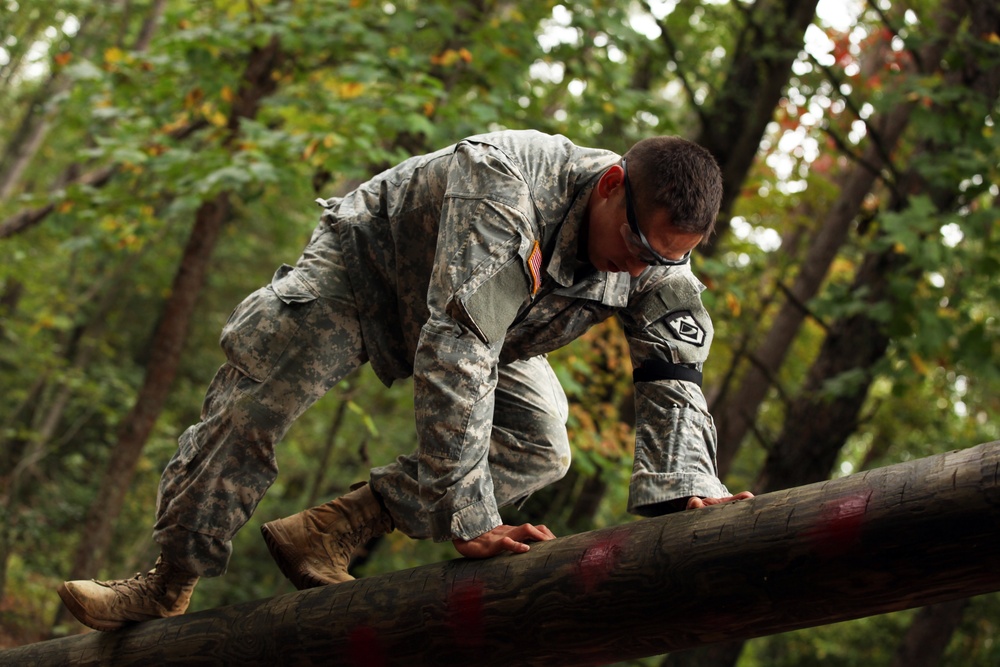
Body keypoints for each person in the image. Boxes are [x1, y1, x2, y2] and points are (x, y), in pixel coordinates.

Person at [57, 129, 753, 631]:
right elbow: (455, 349)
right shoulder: (507, 183)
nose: (638, 270)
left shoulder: (655, 258)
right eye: (635, 247)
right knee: (255, 409)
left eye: (661, 260)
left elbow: (673, 370)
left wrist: (686, 486)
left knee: (544, 443)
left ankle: (331, 530)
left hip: (489, 326)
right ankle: (168, 579)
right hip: (367, 277)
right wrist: (472, 517)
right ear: (610, 186)